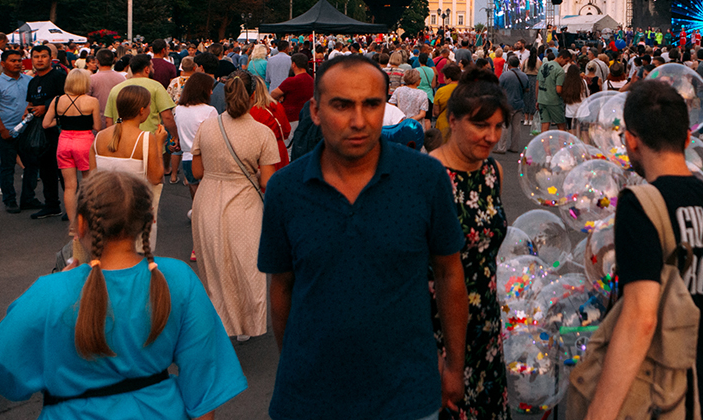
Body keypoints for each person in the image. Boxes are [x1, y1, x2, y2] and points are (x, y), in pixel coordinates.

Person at [257, 55, 467, 420]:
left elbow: (450, 274)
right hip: (310, 397)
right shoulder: (285, 190)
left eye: (371, 104)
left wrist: (454, 365)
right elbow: (282, 287)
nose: (358, 121)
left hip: (407, 395)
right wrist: (296, 359)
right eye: (342, 105)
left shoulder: (425, 179)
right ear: (316, 111)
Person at [0, 170, 248, 419]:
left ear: (80, 225)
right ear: (149, 221)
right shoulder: (178, 278)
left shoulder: (50, 291)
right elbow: (204, 386)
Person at [587, 79, 703, 420]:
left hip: (661, 399)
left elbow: (640, 319)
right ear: (687, 138)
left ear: (630, 140)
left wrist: (599, 413)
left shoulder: (641, 204)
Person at [425, 68, 509, 420]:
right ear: (453, 121)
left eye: (498, 126)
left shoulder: (493, 173)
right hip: (437, 325)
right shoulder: (428, 175)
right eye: (481, 125)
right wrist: (440, 358)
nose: (491, 137)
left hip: (485, 320)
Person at [192, 72, 279, 340]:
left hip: (207, 199)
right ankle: (245, 323)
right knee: (246, 265)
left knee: (214, 263)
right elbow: (268, 180)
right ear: (253, 96)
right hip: (244, 202)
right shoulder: (262, 133)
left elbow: (197, 171)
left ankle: (219, 318)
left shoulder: (207, 127)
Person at [94, 85, 165, 248]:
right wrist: (159, 143)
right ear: (142, 110)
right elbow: (156, 177)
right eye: (148, 106)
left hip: (106, 212)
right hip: (135, 212)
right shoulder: (146, 139)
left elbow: (93, 178)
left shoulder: (99, 138)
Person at [42, 68, 101, 230]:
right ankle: (90, 220)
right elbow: (97, 126)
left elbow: (46, 124)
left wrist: (62, 122)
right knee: (89, 183)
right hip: (85, 142)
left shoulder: (57, 100)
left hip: (64, 142)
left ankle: (73, 224)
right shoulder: (91, 101)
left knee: (69, 186)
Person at [0, 50, 34, 214]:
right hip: (6, 132)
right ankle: (9, 199)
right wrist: (2, 130)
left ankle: (28, 198)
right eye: (13, 61)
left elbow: (34, 100)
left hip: (27, 131)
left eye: (19, 60)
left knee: (30, 166)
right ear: (4, 64)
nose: (18, 63)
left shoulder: (29, 80)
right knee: (7, 167)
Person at [25, 45, 68, 219]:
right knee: (46, 170)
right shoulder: (33, 81)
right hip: (40, 134)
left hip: (59, 130)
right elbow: (29, 103)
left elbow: (67, 99)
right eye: (36, 56)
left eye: (43, 56)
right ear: (32, 59)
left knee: (65, 171)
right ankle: (52, 205)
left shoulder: (59, 76)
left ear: (51, 58)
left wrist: (47, 107)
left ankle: (75, 207)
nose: (40, 59)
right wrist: (28, 111)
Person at [173, 73, 218, 210]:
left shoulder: (179, 110)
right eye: (209, 89)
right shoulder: (210, 111)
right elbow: (215, 136)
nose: (211, 92)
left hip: (187, 157)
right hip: (206, 158)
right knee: (209, 201)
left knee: (196, 199)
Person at [249, 75, 292, 172]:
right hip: (280, 151)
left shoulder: (253, 112)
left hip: (262, 157)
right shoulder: (276, 106)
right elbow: (286, 131)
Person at [271, 53, 314, 129]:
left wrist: (280, 97)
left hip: (292, 118)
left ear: (294, 64)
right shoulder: (311, 80)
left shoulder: (291, 81)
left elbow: (273, 94)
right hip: (307, 117)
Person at [496, 56, 528, 153]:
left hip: (507, 103)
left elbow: (498, 88)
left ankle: (501, 147)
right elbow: (527, 88)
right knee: (516, 126)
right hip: (519, 102)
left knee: (504, 125)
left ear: (509, 64)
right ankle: (514, 146)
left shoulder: (505, 75)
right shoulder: (524, 75)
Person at [88, 49, 125, 128]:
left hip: (97, 122)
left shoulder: (91, 79)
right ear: (112, 61)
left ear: (97, 61)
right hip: (117, 122)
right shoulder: (121, 78)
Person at [536, 50, 569, 132]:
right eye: (566, 60)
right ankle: (562, 144)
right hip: (554, 101)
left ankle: (544, 144)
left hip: (542, 99)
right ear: (561, 57)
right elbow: (558, 89)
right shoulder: (559, 70)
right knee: (561, 126)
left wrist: (537, 99)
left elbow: (537, 83)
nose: (566, 63)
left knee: (545, 125)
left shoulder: (543, 65)